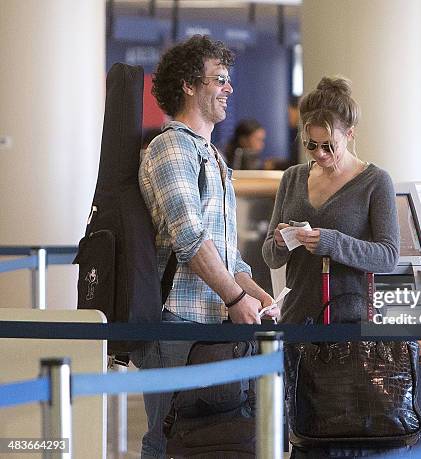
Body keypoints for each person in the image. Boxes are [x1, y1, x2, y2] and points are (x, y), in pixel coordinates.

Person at [133, 34, 278, 458]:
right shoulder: (170, 147)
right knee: (166, 437)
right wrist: (235, 298)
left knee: (206, 441)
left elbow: (227, 254)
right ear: (189, 86)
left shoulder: (212, 155)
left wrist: (262, 298)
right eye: (219, 79)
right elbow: (189, 238)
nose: (229, 88)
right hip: (177, 321)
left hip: (211, 319)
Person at [262, 76, 402, 457]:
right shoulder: (292, 178)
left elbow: (389, 254)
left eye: (329, 145)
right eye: (311, 144)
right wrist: (279, 241)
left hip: (349, 325)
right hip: (297, 322)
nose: (320, 154)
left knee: (345, 438)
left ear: (350, 134)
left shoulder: (375, 182)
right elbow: (271, 257)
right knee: (302, 437)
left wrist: (331, 242)